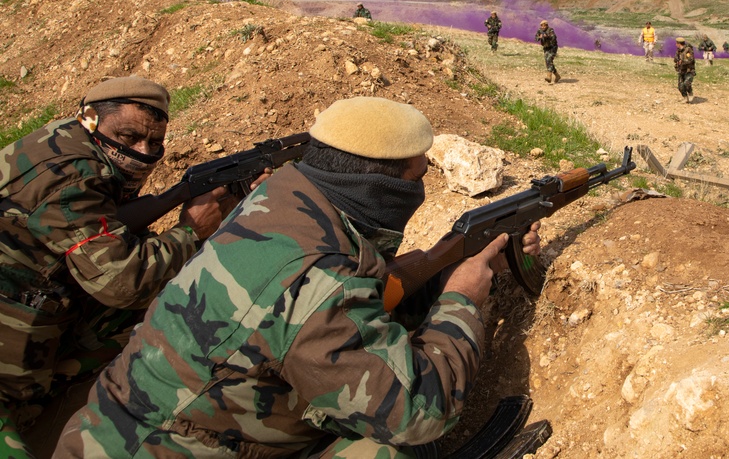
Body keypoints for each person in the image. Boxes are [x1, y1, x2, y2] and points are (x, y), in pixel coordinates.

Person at [56, 97, 542, 458]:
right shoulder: (319, 276)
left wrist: (449, 272)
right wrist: (462, 298)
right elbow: (418, 412)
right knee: (392, 450)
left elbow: (355, 303)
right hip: (154, 447)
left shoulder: (283, 196)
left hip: (118, 425)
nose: (419, 189)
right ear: (381, 185)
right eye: (416, 179)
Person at [0, 77, 237, 455]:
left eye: (154, 143)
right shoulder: (72, 175)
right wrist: (191, 232)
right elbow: (122, 283)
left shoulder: (64, 139)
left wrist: (179, 201)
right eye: (128, 137)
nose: (142, 152)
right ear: (91, 120)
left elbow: (107, 226)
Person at [673, 37, 697, 104]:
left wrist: (682, 61)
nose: (675, 45)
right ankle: (685, 98)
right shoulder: (678, 51)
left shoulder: (688, 50)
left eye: (676, 43)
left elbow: (690, 60)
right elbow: (675, 59)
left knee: (686, 83)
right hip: (681, 70)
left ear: (679, 43)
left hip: (689, 70)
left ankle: (690, 93)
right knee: (680, 86)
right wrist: (677, 61)